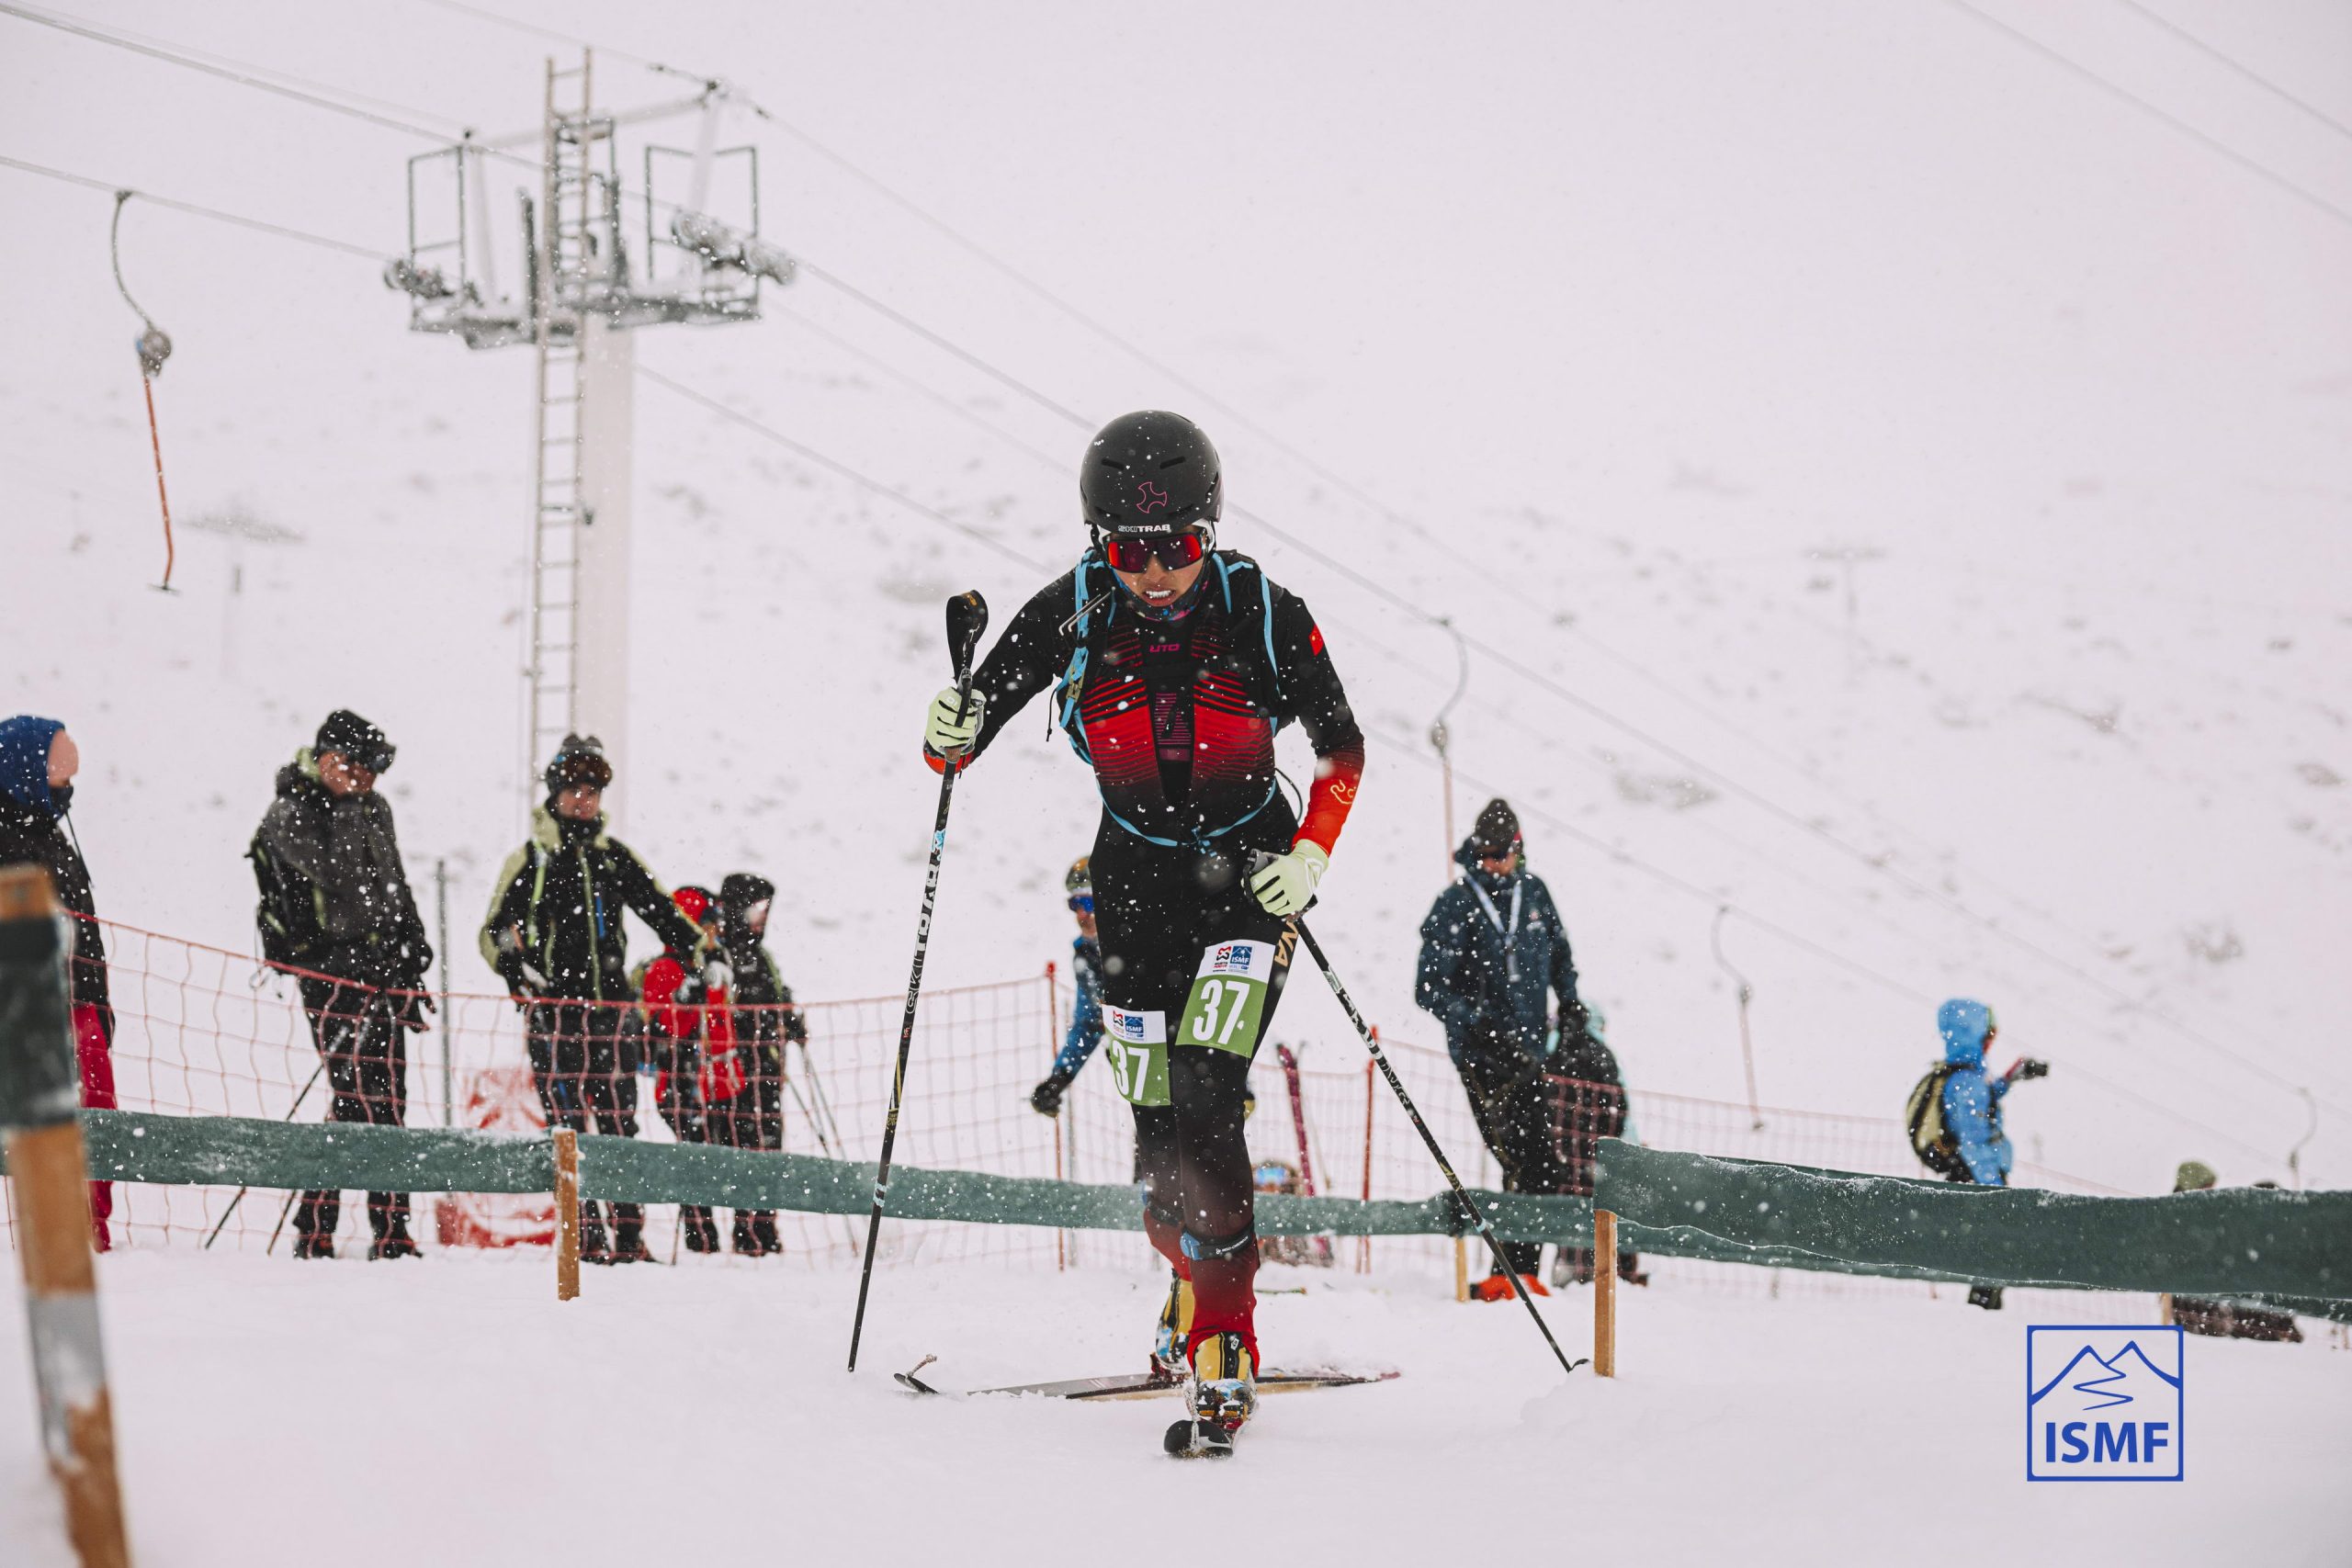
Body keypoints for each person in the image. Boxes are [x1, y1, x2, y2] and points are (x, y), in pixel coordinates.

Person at [919, 409, 1365, 1447]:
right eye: (1130, 551)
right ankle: (1191, 1281)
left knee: (1211, 1088)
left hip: (1249, 881)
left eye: (1179, 550)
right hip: (1131, 886)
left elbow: (1342, 753)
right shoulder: (1072, 609)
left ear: (1212, 534)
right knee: (1158, 1134)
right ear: (1096, 542)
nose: (1155, 574)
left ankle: (1226, 1334)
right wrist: (948, 732)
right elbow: (967, 726)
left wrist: (1309, 856)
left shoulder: (1262, 610)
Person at [480, 735, 707, 1264]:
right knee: (568, 1130)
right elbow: (492, 933)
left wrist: (698, 950)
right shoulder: (531, 860)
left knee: (620, 1126)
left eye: (592, 791)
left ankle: (628, 1239)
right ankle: (584, 1240)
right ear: (554, 793)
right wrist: (516, 967)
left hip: (612, 1016)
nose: (583, 800)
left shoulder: (612, 857)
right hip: (554, 1018)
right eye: (573, 790)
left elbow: (659, 908)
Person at [250, 710, 435, 1260]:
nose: (371, 781)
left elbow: (392, 882)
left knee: (389, 1098)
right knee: (357, 1096)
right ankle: (324, 1227)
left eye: (377, 772)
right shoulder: (291, 813)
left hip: (385, 973)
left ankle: (385, 1230)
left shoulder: (374, 807)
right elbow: (345, 885)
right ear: (331, 759)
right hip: (328, 974)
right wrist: (352, 806)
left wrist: (413, 944)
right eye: (362, 768)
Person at [1414, 798, 1589, 1302]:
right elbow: (1428, 989)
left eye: (1503, 854)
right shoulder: (1455, 903)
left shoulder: (1534, 894)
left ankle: (1518, 1273)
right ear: (1475, 851)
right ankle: (1510, 1275)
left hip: (1530, 1051)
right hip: (1481, 1058)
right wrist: (1480, 1024)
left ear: (1518, 850)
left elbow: (1559, 954)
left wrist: (1571, 1003)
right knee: (1521, 1158)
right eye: (1487, 854)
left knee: (1541, 1165)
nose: (1495, 864)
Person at [0, 716, 116, 1250]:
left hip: (79, 1004)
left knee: (100, 1123)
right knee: (49, 1125)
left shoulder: (49, 834)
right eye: (57, 774)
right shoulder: (10, 839)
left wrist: (99, 1001)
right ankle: (56, 1236)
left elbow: (81, 931)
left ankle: (91, 1230)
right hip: (37, 1013)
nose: (66, 788)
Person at [1903, 997, 2048, 1309]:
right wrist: (1995, 1192)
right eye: (1989, 1033)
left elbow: (1982, 1099)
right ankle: (1981, 1316)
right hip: (1978, 1178)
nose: (1993, 1039)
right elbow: (1974, 1141)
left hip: (1969, 1175)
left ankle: (1982, 1311)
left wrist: (2010, 1078)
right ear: (1978, 1035)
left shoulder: (1964, 1076)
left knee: (1989, 1257)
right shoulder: (1967, 1083)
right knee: (1992, 1254)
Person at [707, 871, 805, 1257]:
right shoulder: (721, 953)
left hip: (767, 1069)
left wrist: (789, 1017)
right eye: (754, 909)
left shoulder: (759, 955)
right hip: (734, 1071)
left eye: (764, 910)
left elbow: (774, 994)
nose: (760, 917)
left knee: (769, 1143)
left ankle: (766, 1224)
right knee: (738, 1146)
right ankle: (742, 1228)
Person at [636, 885, 731, 1254]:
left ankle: (717, 1240)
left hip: (713, 1081)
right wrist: (684, 1002)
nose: (714, 932)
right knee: (695, 1159)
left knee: (714, 1159)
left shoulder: (708, 966)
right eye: (708, 924)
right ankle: (700, 1242)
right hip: (678, 1082)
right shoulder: (665, 969)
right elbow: (661, 1028)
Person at [1545, 1005, 1645, 1289]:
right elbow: (1619, 1107)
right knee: (1608, 1213)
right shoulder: (1603, 1056)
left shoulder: (1555, 1050)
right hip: (1601, 1156)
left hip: (1563, 1154)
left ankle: (1569, 1269)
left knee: (1569, 1208)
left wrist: (1558, 1144)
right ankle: (1614, 1273)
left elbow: (1546, 1102)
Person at [2164, 1162, 2302, 1343]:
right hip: (2204, 1303)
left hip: (2218, 1306)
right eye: (2207, 1188)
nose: (2211, 1193)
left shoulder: (2203, 1218)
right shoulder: (2190, 1218)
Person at [1030, 856, 1106, 1116]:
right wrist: (1057, 1081)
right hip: (1141, 1078)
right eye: (1075, 904)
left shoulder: (1141, 944)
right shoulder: (1086, 956)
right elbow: (1088, 1023)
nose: (1082, 914)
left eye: (1088, 902)